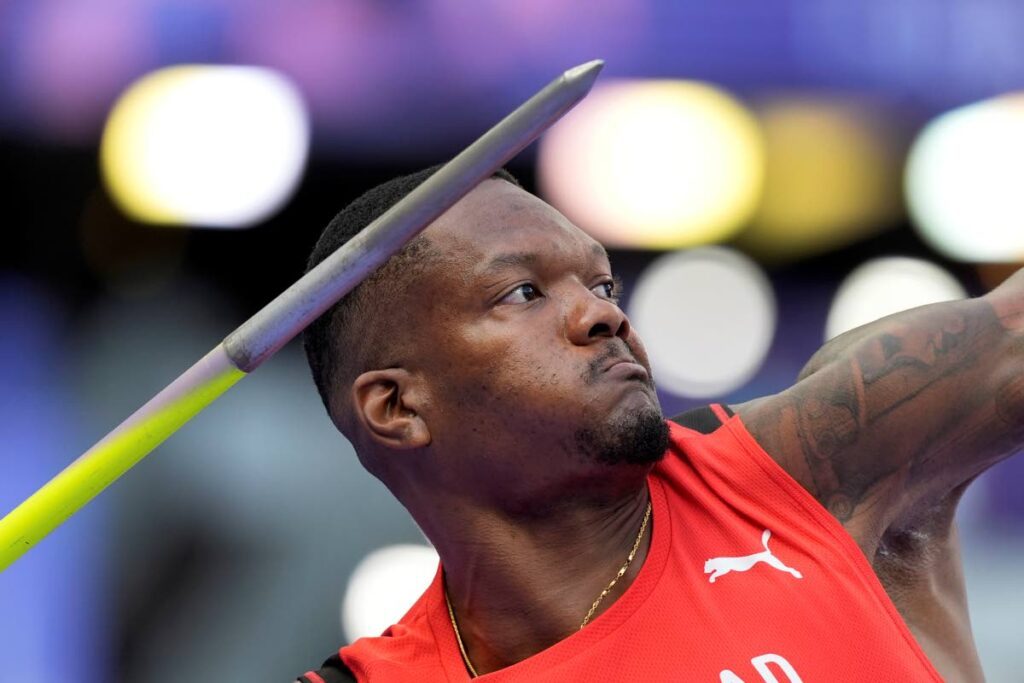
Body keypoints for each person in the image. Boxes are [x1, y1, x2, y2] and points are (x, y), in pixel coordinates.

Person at [296, 165, 1023, 682]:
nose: (603, 313)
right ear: (396, 407)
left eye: (602, 282)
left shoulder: (819, 462)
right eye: (523, 292)